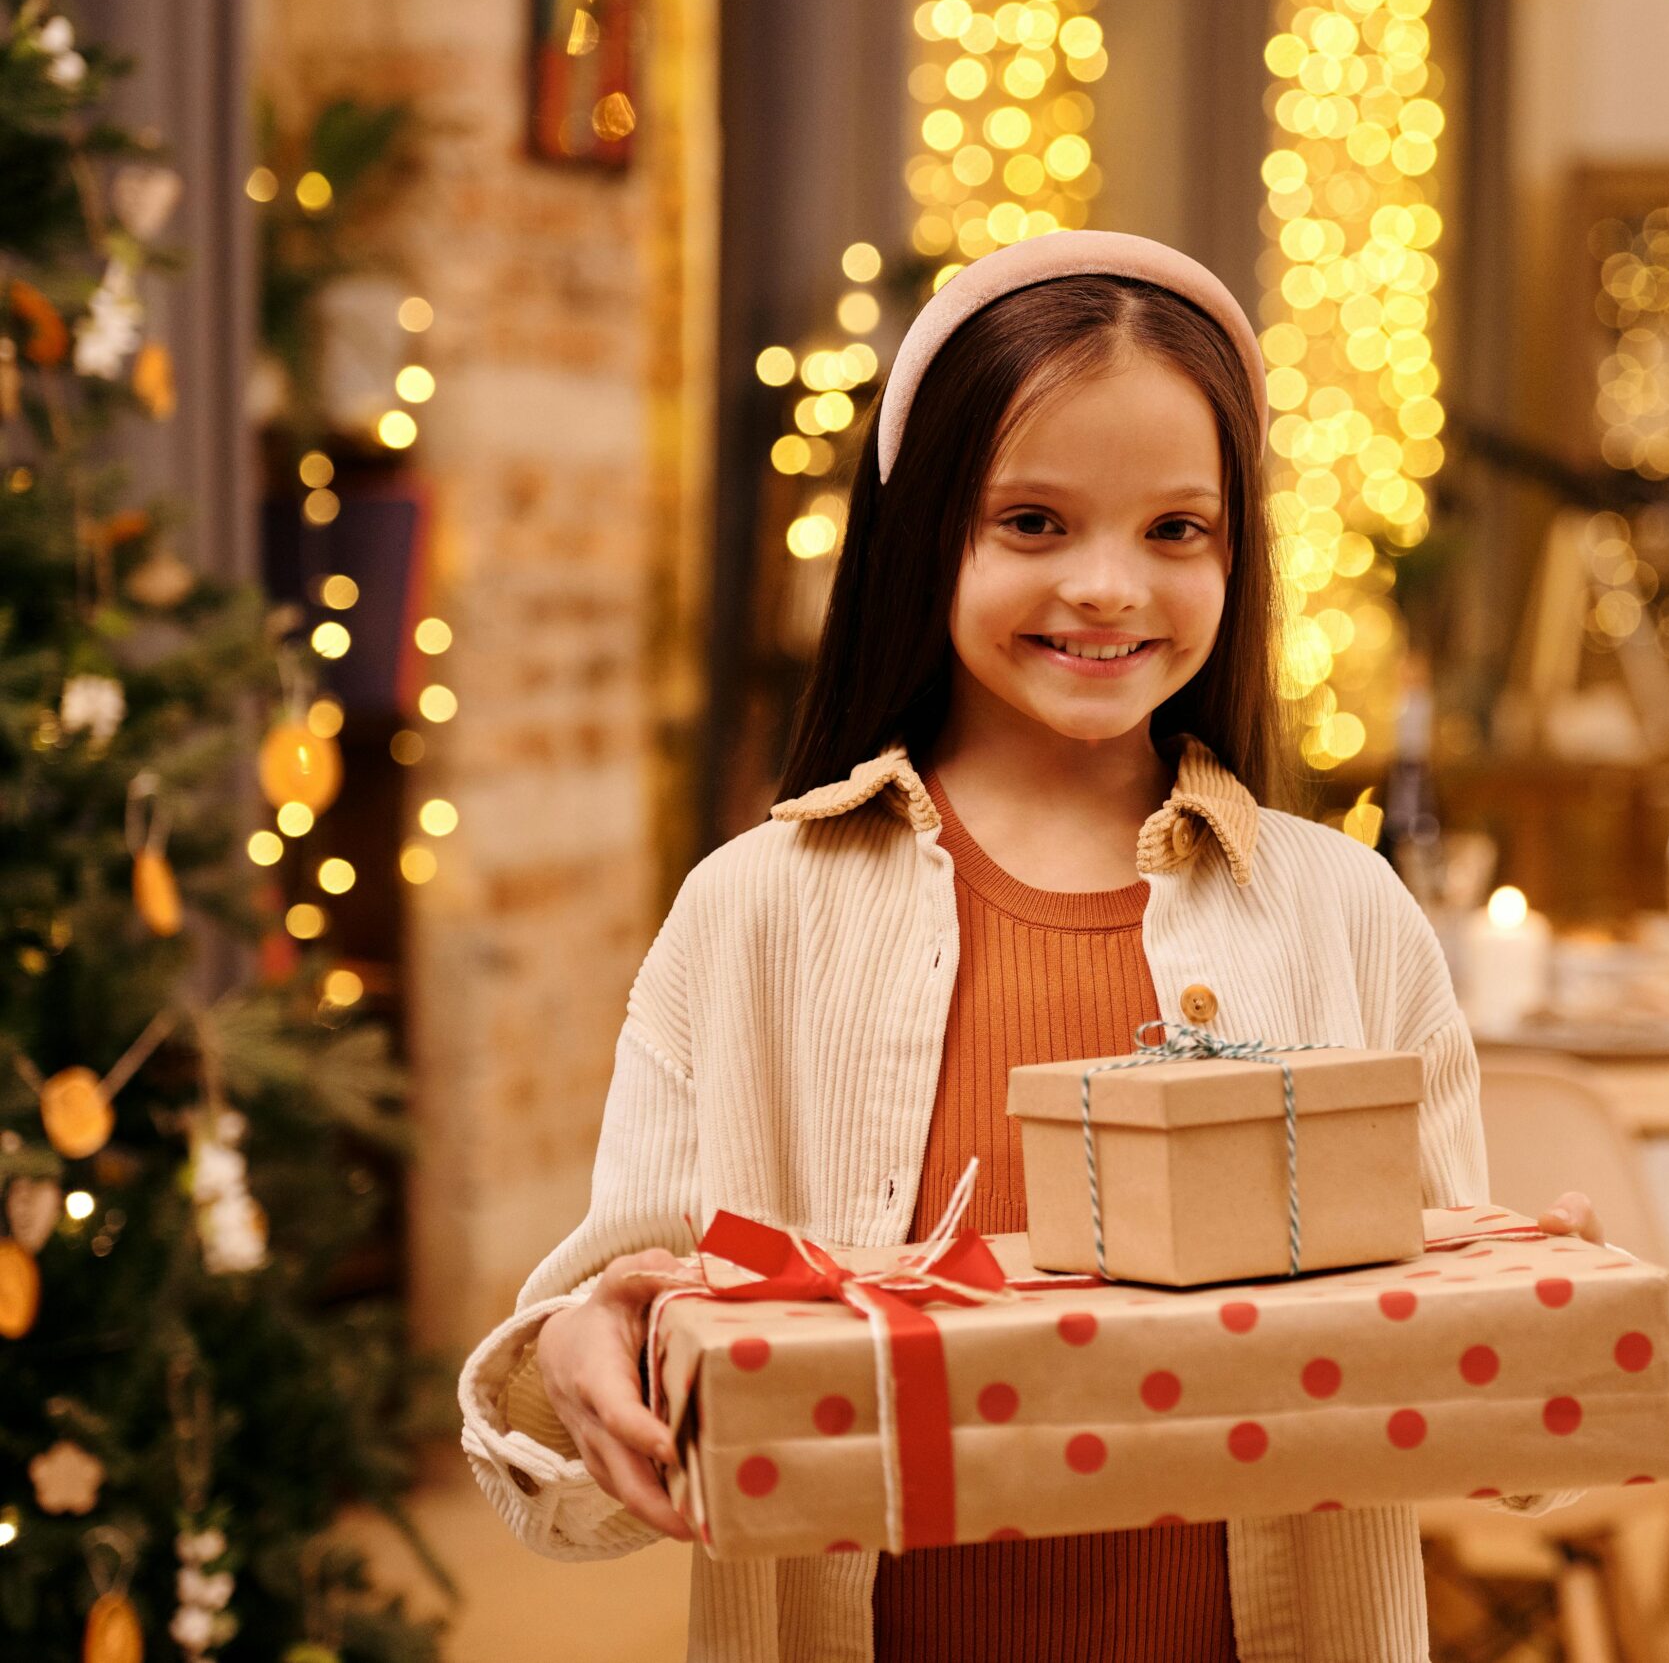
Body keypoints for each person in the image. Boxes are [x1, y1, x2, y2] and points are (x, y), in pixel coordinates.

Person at [455, 230, 1605, 1661]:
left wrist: (1534, 1308)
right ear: (924, 533)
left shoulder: (1346, 914)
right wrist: (584, 1343)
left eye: (1175, 530)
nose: (1110, 587)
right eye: (1035, 523)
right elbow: (612, 1347)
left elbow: (1470, 1407)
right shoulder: (752, 914)